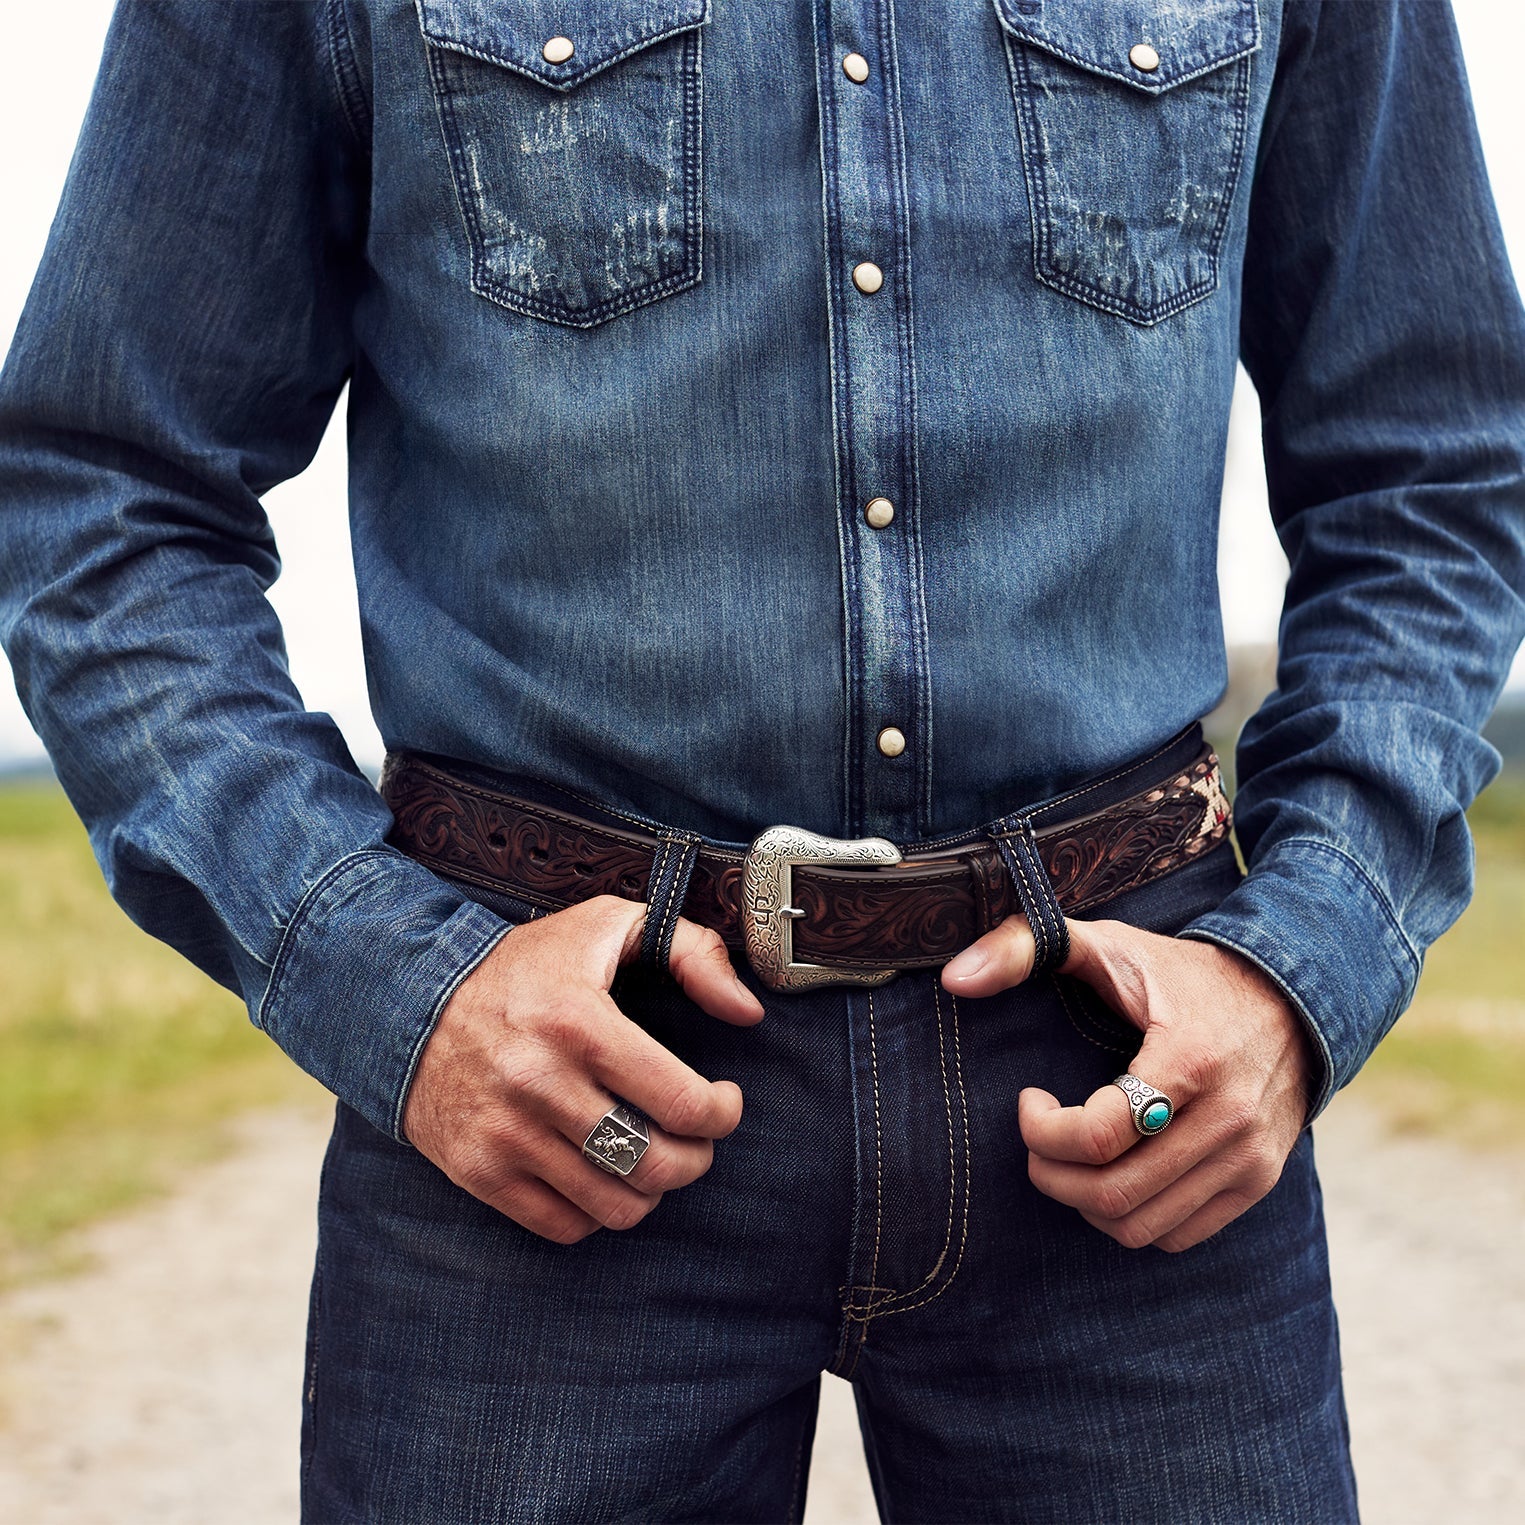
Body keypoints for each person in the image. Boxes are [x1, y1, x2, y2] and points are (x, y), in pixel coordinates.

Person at [2, 0, 1522, 1519]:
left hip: (1126, 1099)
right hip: (545, 1111)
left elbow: (1436, 474)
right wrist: (396, 985)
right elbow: (105, 497)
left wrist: (1296, 969)